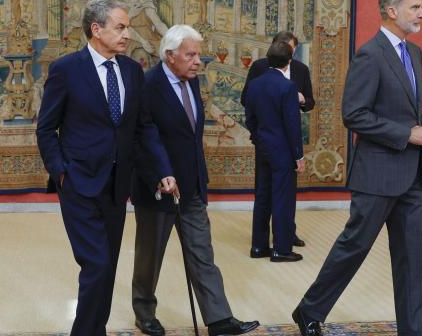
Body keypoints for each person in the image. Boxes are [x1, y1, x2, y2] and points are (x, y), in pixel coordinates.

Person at [292, 0, 422, 336]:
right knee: (353, 248)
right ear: (392, 11)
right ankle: (309, 311)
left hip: (412, 176)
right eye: (415, 7)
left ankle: (416, 329)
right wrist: (407, 134)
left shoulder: (414, 54)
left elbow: (415, 109)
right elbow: (354, 114)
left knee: (415, 259)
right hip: (377, 175)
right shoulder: (370, 55)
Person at [36, 0, 175, 335]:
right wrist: (61, 171)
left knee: (107, 266)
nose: (128, 34)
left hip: (117, 187)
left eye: (127, 27)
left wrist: (162, 170)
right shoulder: (66, 69)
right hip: (79, 184)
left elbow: (142, 128)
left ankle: (94, 329)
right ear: (96, 29)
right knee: (96, 264)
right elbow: (45, 128)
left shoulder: (131, 70)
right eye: (121, 27)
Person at [130, 24, 260, 336]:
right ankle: (144, 311)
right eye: (191, 55)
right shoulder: (148, 86)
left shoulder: (191, 82)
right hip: (158, 190)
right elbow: (141, 137)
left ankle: (219, 320)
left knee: (203, 254)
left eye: (198, 54)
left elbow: (189, 136)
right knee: (150, 257)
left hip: (192, 187)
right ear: (170, 55)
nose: (197, 61)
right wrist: (160, 174)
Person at [241, 31, 313, 256]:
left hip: (263, 146)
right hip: (283, 150)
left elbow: (249, 117)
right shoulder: (288, 87)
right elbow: (292, 125)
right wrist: (298, 155)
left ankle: (258, 246)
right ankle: (282, 249)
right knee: (283, 197)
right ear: (288, 59)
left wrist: (257, 136)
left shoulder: (256, 84)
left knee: (262, 196)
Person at [241, 31, 315, 113]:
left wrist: (303, 100)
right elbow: (245, 99)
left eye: (289, 47)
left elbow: (310, 103)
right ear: (273, 47)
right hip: (263, 123)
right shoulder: (258, 66)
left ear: (295, 48)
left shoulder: (302, 69)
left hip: (290, 123)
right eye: (282, 46)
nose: (285, 50)